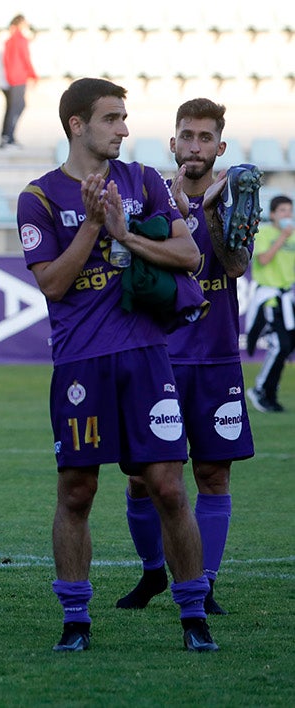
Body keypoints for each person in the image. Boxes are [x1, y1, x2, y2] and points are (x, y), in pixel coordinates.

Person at [17, 77, 216, 653]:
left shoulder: (144, 180)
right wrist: (93, 225)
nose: (125, 129)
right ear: (77, 125)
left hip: (147, 357)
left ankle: (194, 616)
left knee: (168, 488)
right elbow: (52, 283)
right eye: (112, 119)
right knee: (77, 491)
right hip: (80, 361)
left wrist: (126, 233)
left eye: (125, 118)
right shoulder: (41, 196)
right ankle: (76, 621)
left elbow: (190, 254)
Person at [117, 98, 253, 616]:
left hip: (216, 358)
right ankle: (154, 571)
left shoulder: (235, 199)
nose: (194, 146)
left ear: (220, 147)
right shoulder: (149, 196)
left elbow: (236, 266)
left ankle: (206, 582)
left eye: (205, 138)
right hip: (159, 356)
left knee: (213, 476)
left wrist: (215, 213)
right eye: (186, 136)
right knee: (141, 477)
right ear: (172, 143)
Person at [245, 195, 295, 412]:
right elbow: (263, 259)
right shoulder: (265, 232)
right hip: (269, 298)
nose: (287, 215)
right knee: (279, 345)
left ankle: (270, 393)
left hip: (287, 298)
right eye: (282, 210)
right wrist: (282, 238)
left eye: (289, 211)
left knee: (287, 346)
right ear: (273, 213)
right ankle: (260, 389)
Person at [0, 14, 37, 149]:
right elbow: (25, 58)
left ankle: (7, 136)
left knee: (12, 108)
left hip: (10, 78)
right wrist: (33, 75)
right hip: (18, 77)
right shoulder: (20, 40)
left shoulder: (9, 40)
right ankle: (8, 138)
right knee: (16, 107)